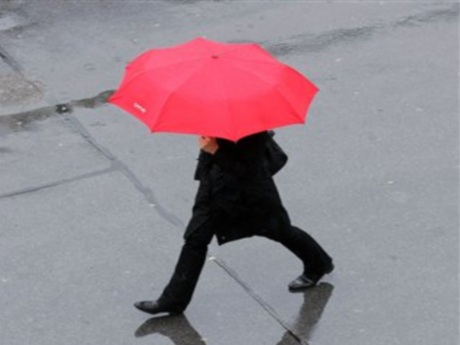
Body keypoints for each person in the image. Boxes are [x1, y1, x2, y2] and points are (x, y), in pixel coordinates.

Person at [134, 131, 333, 315]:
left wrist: (215, 150)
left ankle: (319, 264)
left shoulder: (252, 128)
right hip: (213, 190)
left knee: (280, 231)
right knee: (195, 240)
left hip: (250, 196)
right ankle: (173, 300)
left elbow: (250, 171)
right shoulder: (210, 111)